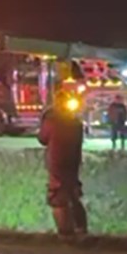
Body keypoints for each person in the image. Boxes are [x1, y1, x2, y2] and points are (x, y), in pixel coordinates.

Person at [37, 92, 87, 239]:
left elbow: (42, 139)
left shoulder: (51, 121)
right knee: (73, 194)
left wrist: (44, 118)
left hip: (57, 164)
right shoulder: (76, 123)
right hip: (73, 163)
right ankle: (81, 229)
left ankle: (66, 234)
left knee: (57, 197)